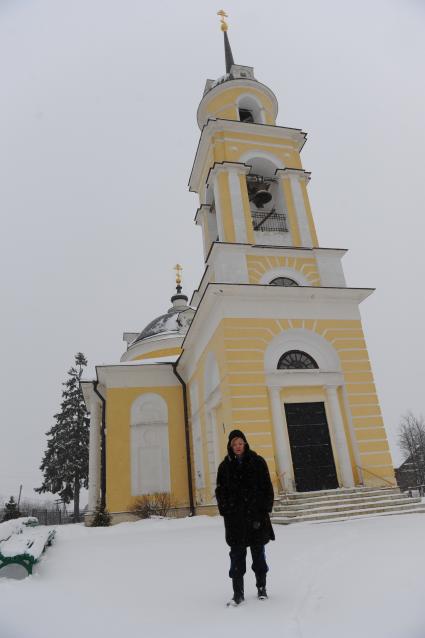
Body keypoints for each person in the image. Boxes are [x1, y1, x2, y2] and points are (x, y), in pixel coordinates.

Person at [215, 429, 275, 606]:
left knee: (259, 556)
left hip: (256, 518)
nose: (237, 447)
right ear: (230, 446)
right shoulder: (224, 467)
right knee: (236, 558)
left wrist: (263, 510)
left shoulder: (257, 462)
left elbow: (266, 488)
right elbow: (220, 492)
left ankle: (262, 587)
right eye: (234, 444)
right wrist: (226, 510)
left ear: (245, 443)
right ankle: (237, 593)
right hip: (236, 521)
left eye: (240, 443)